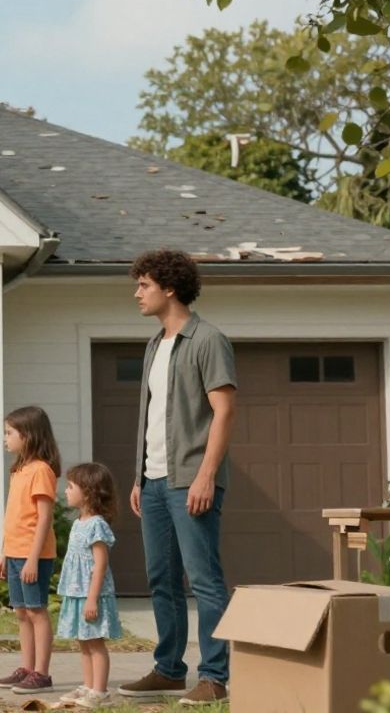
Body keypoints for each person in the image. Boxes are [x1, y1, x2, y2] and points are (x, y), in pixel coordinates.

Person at [118, 249, 236, 707]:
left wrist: (206, 476)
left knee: (205, 580)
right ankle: (169, 670)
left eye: (143, 285)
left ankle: (214, 677)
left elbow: (224, 412)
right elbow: (154, 417)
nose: (137, 293)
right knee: (161, 578)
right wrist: (138, 477)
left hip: (191, 479)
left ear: (169, 288)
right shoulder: (154, 345)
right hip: (152, 482)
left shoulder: (208, 340)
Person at [0, 405, 61, 695]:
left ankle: (42, 674)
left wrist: (33, 558)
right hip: (16, 553)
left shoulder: (41, 471)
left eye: (9, 432)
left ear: (28, 435)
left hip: (35, 556)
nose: (5, 438)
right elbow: (14, 516)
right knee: (21, 612)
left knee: (36, 611)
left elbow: (44, 517)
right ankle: (27, 667)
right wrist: (5, 553)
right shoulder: (18, 469)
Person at [56, 462, 123, 709]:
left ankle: (100, 691)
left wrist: (92, 598)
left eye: (71, 486)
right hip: (77, 593)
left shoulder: (96, 525)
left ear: (88, 492)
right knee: (82, 642)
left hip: (91, 594)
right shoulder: (78, 523)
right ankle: (87, 686)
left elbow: (100, 565)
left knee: (95, 643)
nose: (65, 491)